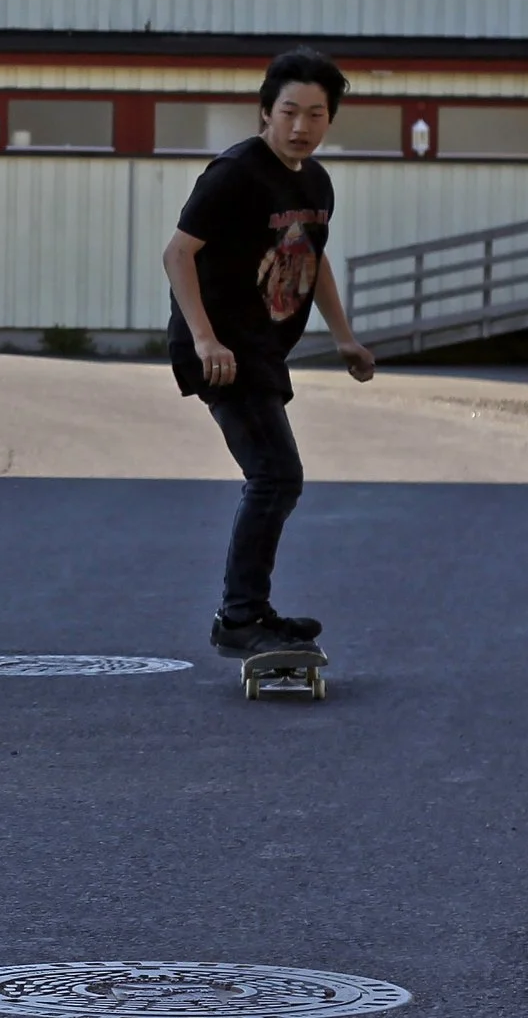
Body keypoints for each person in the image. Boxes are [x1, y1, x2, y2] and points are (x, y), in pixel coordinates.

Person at [163, 47, 376, 661]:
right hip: (220, 347)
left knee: (278, 478)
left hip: (260, 349)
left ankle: (248, 609)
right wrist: (205, 338)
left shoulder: (315, 182)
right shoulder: (234, 173)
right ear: (265, 111)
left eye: (315, 114)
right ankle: (239, 615)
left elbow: (313, 257)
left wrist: (343, 337)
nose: (301, 126)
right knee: (276, 474)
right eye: (289, 111)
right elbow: (178, 254)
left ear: (329, 120)